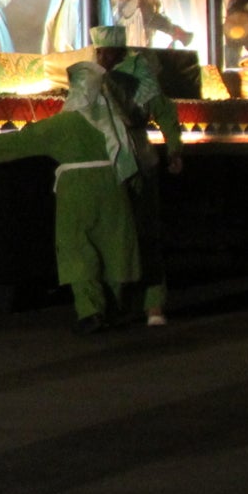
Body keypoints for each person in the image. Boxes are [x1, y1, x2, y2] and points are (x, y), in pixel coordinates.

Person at [0, 62, 142, 333]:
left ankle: (91, 311)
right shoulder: (115, 122)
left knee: (78, 250)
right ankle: (115, 306)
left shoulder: (64, 124)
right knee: (115, 246)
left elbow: (20, 142)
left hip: (76, 190)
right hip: (113, 187)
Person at [94, 24, 183, 326]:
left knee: (145, 232)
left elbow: (165, 113)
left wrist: (174, 149)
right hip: (106, 160)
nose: (101, 56)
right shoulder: (93, 78)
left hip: (138, 158)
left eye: (105, 51)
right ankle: (115, 302)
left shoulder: (139, 75)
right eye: (98, 52)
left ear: (118, 51)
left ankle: (153, 305)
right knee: (112, 233)